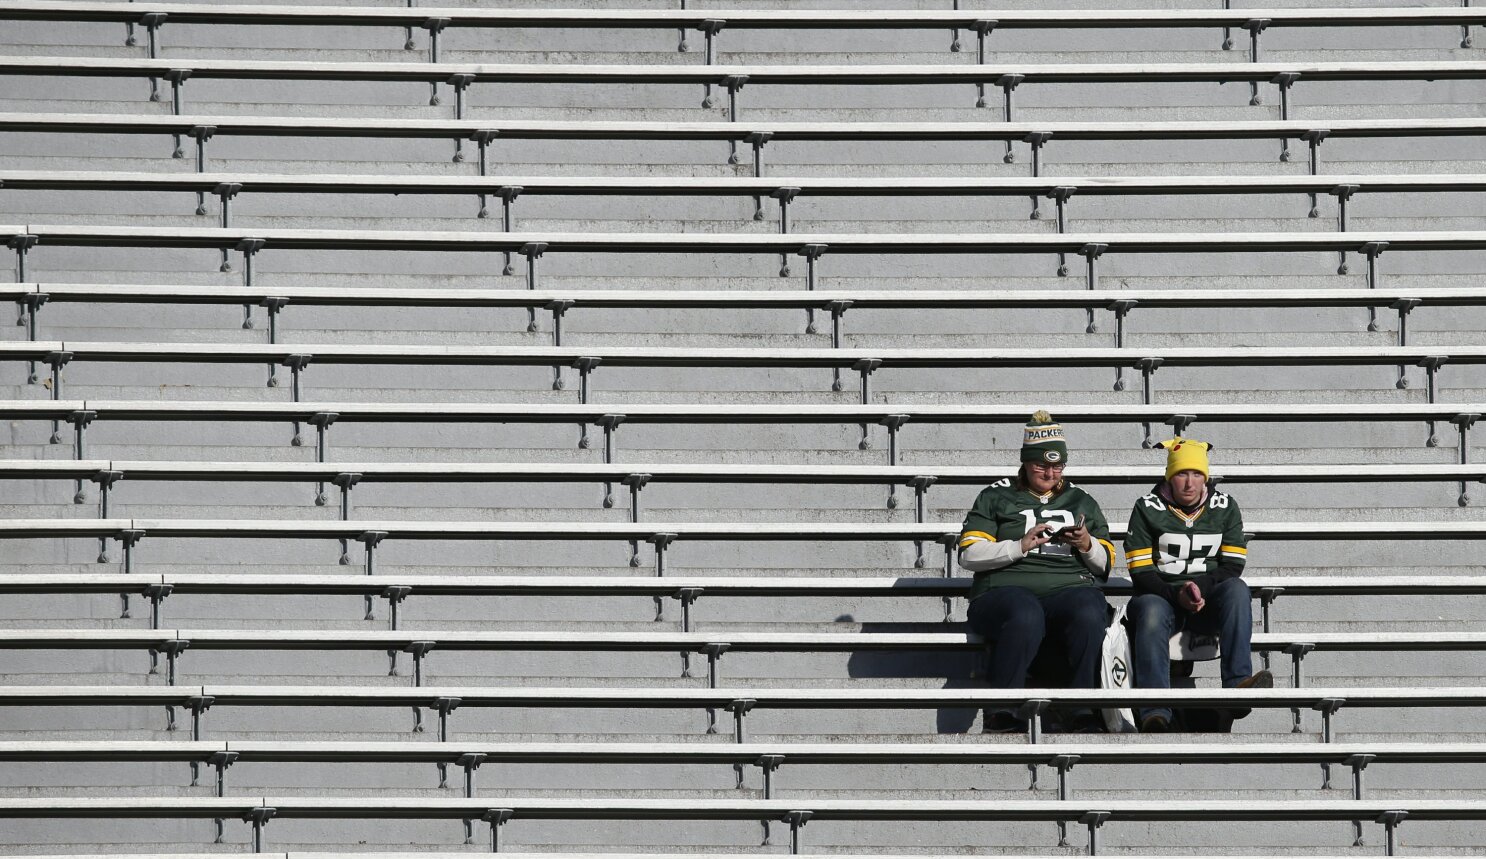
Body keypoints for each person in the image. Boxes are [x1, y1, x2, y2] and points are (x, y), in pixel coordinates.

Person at [959, 410, 1115, 733]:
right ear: (1026, 462)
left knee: (1089, 608)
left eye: (1057, 465)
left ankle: (1081, 708)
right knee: (1025, 611)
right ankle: (1002, 710)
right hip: (1003, 591)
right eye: (1041, 464)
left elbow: (1105, 566)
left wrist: (1086, 543)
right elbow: (968, 553)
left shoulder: (1080, 500)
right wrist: (1019, 545)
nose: (1049, 472)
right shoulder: (997, 495)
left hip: (1067, 590)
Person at [1124, 437, 1273, 733]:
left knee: (1237, 590)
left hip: (1207, 601)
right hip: (1161, 596)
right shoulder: (1146, 507)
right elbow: (1140, 571)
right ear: (1169, 476)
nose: (1189, 483)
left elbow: (1232, 565)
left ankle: (1236, 686)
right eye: (1181, 474)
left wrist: (1201, 588)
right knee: (1150, 610)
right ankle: (1154, 709)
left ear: (1205, 477)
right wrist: (1175, 593)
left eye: (1196, 474)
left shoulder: (1225, 506)